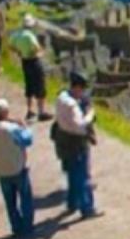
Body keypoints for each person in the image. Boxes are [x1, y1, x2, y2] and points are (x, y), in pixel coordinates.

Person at [0, 98, 35, 238]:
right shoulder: (12, 129)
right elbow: (28, 140)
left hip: (1, 169)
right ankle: (27, 227)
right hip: (17, 166)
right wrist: (24, 126)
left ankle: (16, 227)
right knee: (25, 197)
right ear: (6, 112)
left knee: (10, 202)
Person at [54, 71, 100, 219]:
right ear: (77, 87)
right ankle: (87, 207)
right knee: (82, 175)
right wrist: (91, 115)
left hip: (63, 139)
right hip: (76, 141)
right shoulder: (72, 105)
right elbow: (81, 125)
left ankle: (72, 203)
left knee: (72, 174)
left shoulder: (61, 98)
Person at [9, 14, 51, 121]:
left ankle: (29, 111)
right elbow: (36, 48)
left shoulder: (16, 35)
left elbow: (10, 45)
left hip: (24, 61)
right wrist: (39, 53)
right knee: (40, 85)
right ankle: (41, 112)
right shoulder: (30, 36)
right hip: (34, 61)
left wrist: (19, 52)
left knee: (29, 85)